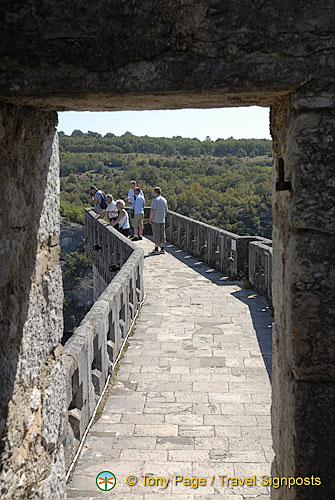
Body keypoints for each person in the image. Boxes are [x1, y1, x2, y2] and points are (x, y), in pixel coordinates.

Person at [149, 186, 168, 254]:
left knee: (156, 234)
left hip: (156, 220)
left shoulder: (155, 200)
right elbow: (166, 210)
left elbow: (152, 210)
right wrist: (163, 217)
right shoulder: (164, 200)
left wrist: (150, 218)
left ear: (155, 192)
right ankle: (162, 248)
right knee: (162, 234)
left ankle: (156, 248)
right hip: (162, 220)